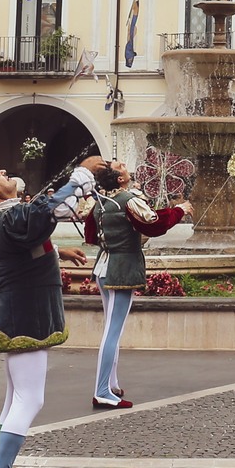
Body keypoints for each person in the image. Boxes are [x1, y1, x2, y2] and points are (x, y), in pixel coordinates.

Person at [0, 159, 98, 468]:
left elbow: (31, 234)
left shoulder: (1, 218)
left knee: (15, 401)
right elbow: (45, 211)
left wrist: (59, 251)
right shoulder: (8, 216)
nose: (3, 172)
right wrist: (80, 177)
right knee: (29, 400)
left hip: (18, 311)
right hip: (25, 314)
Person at [84, 160, 187, 409]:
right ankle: (101, 391)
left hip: (103, 265)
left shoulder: (100, 202)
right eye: (120, 166)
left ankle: (112, 384)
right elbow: (154, 223)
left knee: (111, 328)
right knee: (112, 332)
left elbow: (90, 234)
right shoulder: (127, 199)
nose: (124, 166)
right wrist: (180, 210)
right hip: (121, 268)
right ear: (120, 179)